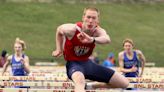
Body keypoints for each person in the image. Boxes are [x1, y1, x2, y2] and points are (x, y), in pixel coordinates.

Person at [52, 7, 129, 92]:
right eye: (88, 17)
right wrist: (58, 49)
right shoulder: (72, 29)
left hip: (88, 64)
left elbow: (107, 39)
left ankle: (90, 86)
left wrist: (92, 39)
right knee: (80, 81)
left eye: (93, 18)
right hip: (74, 64)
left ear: (97, 21)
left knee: (124, 83)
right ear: (83, 18)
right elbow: (59, 30)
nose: (90, 21)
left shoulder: (97, 31)